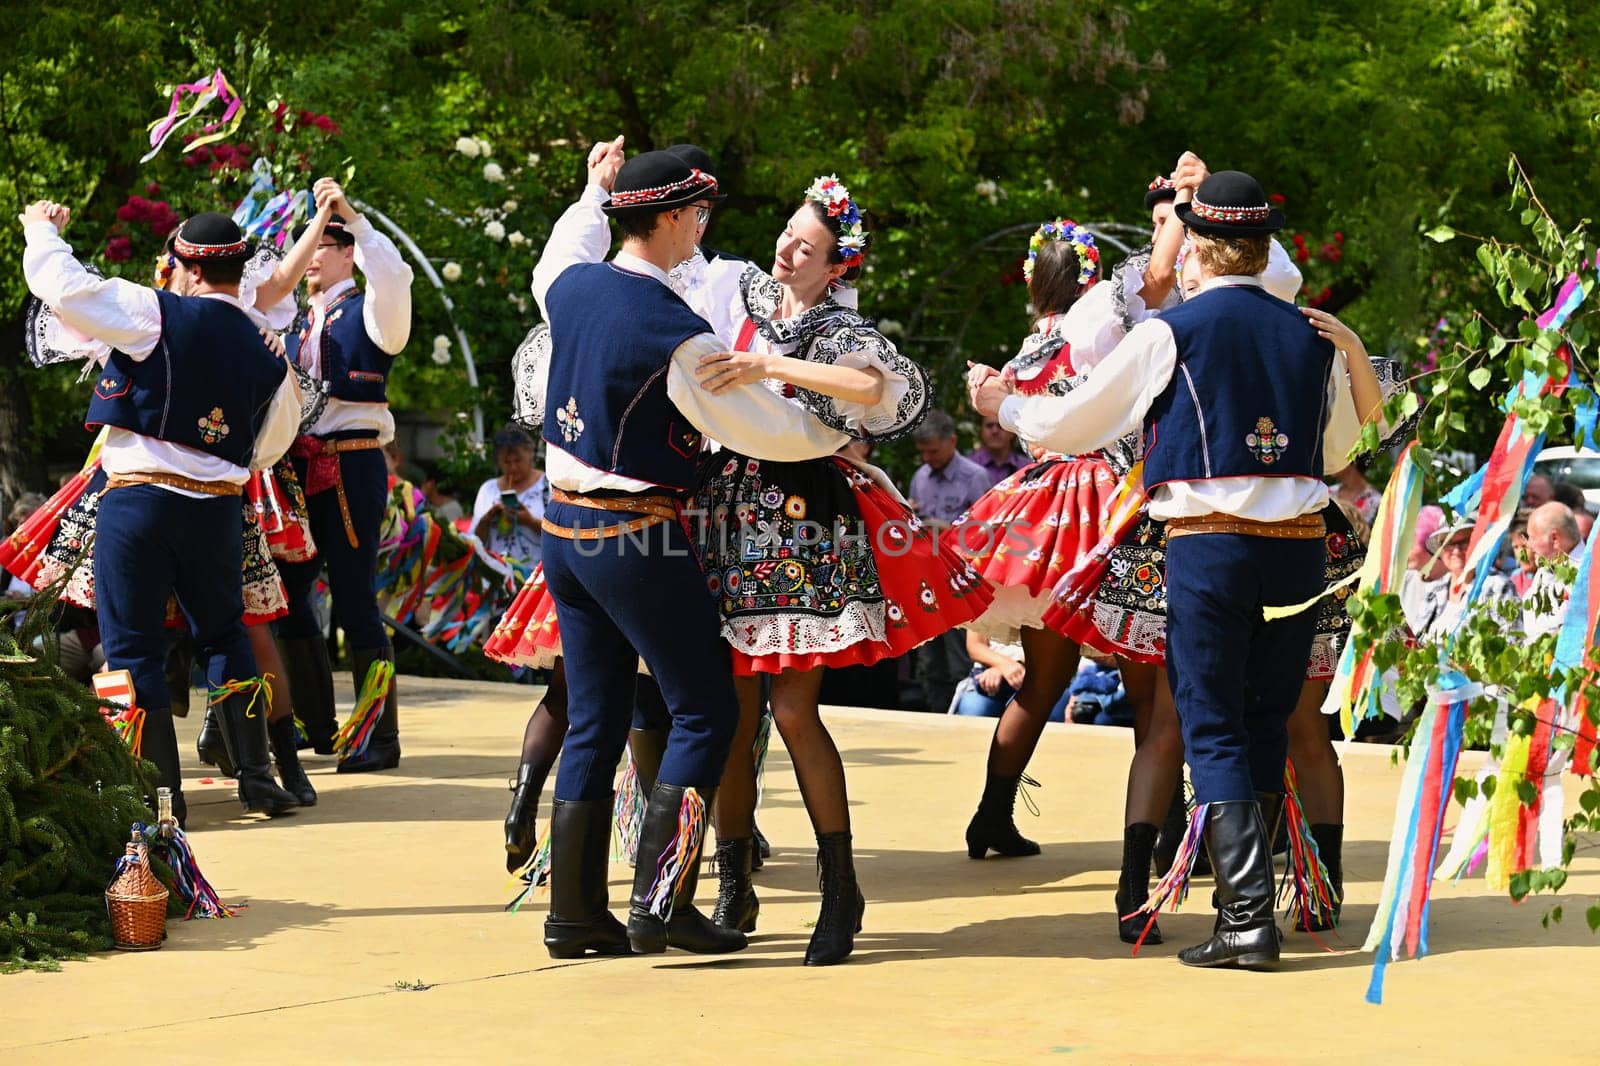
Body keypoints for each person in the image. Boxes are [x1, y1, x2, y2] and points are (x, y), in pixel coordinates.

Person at [974, 170, 1372, 970]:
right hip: (1299, 549)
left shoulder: (1171, 331)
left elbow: (1069, 422)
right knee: (1265, 722)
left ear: (1197, 245)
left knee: (1211, 719)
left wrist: (1002, 405)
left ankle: (1247, 923)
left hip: (1210, 543)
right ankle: (1243, 909)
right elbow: (1336, 453)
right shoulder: (1309, 334)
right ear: (1261, 247)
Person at [528, 147, 855, 960]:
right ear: (672, 217)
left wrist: (591, 190)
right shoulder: (676, 329)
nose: (702, 229)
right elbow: (760, 427)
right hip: (632, 533)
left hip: (561, 530)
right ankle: (660, 903)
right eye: (699, 215)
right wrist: (839, 432)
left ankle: (574, 915)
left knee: (596, 719)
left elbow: (564, 246)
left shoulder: (570, 283)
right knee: (705, 707)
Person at [687, 173, 985, 965]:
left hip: (803, 515)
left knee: (792, 711)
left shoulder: (839, 331)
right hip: (726, 510)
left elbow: (873, 389)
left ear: (836, 267)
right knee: (731, 715)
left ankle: (840, 887)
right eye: (788, 232)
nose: (787, 248)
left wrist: (769, 371)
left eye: (807, 246)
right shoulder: (737, 290)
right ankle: (731, 878)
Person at [21, 202, 303, 826]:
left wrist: (41, 228)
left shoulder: (157, 310)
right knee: (225, 635)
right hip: (218, 511)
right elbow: (274, 439)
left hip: (141, 501)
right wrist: (219, 461)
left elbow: (64, 289)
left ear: (186, 267)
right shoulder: (267, 349)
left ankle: (156, 797)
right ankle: (256, 778)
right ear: (237, 269)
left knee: (132, 649)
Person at [275, 178, 414, 773]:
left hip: (353, 460)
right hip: (298, 467)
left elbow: (396, 276)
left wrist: (352, 216)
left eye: (323, 247)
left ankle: (378, 736)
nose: (311, 259)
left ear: (348, 252)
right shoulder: (296, 323)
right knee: (287, 593)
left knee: (356, 599)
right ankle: (317, 722)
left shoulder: (374, 311)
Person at [470, 425, 547, 572]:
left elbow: (562, 533)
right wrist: (486, 520)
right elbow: (475, 542)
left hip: (537, 579)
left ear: (530, 453)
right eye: (506, 462)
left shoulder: (547, 486)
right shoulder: (488, 489)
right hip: (498, 578)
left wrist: (530, 521)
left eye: (518, 460)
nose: (513, 467)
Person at [970, 417, 1029, 486]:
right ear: (981, 431)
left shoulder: (1027, 468)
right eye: (989, 426)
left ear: (1012, 432)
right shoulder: (968, 467)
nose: (995, 431)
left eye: (1001, 426)